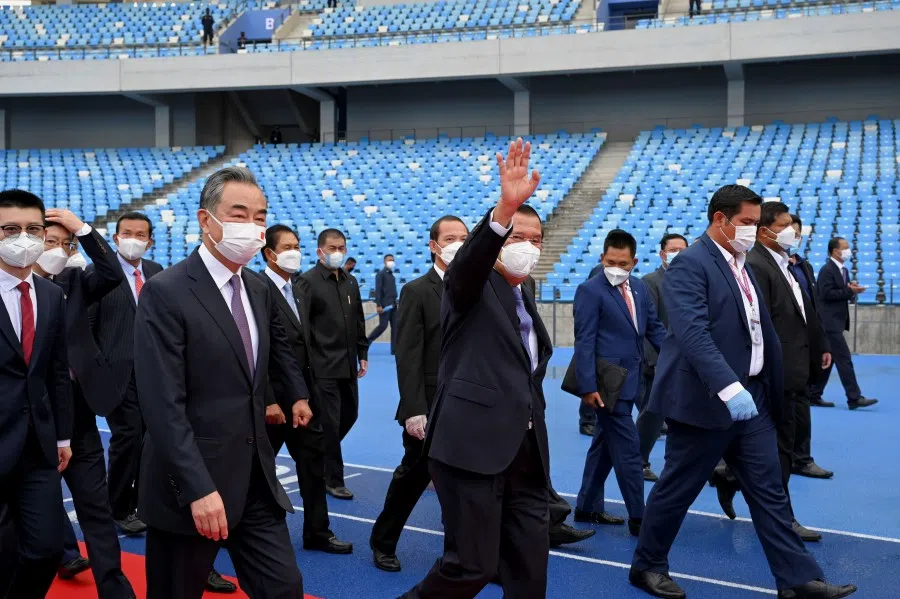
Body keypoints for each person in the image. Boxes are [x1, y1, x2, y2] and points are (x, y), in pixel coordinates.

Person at [629, 184, 856, 599]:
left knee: (769, 491)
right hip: (706, 401)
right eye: (747, 223)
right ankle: (647, 566)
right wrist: (730, 387)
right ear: (720, 219)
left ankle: (797, 579)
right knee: (677, 489)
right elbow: (693, 334)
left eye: (755, 222)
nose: (753, 231)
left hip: (753, 401)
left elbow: (757, 329)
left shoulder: (741, 265)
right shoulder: (690, 265)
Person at [133, 166, 308, 599]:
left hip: (254, 483)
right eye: (239, 214)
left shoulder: (258, 289)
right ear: (206, 220)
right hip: (189, 490)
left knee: (285, 589)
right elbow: (162, 403)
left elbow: (262, 368)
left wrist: (296, 394)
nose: (253, 227)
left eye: (260, 216)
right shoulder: (165, 291)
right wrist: (197, 487)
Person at [401, 138, 552, 598]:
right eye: (517, 238)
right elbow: (468, 265)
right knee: (471, 567)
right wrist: (505, 210)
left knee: (529, 571)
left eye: (536, 240)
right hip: (471, 450)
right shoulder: (468, 285)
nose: (527, 248)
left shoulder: (525, 294)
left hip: (524, 452)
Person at [32, 209, 137, 598]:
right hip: (33, 417)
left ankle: (115, 588)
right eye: (51, 242)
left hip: (79, 413)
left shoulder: (74, 281)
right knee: (35, 510)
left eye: (66, 244)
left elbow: (112, 272)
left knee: (96, 508)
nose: (59, 250)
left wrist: (83, 230)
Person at [737, 201, 831, 542]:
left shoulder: (787, 264)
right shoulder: (758, 266)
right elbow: (761, 326)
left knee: (782, 449)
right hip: (776, 377)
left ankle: (729, 478)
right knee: (779, 451)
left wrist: (819, 348)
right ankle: (783, 519)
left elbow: (803, 314)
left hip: (795, 373)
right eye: (786, 224)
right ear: (765, 231)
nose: (794, 230)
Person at [257, 224, 353, 555]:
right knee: (256, 468)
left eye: (297, 245)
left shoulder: (298, 289)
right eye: (287, 246)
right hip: (270, 402)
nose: (294, 251)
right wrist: (269, 399)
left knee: (313, 463)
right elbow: (258, 351)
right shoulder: (256, 289)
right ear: (269, 253)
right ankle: (239, 530)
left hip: (302, 398)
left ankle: (317, 532)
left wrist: (307, 394)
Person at [0, 189, 73, 598]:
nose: (22, 238)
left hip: (38, 445)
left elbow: (56, 372)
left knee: (46, 549)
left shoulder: (51, 294)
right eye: (10, 229)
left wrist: (63, 435)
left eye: (33, 229)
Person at [573, 229, 666, 537]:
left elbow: (654, 329)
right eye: (610, 260)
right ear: (602, 258)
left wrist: (685, 356)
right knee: (628, 451)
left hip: (631, 381)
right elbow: (584, 342)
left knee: (603, 447)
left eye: (622, 263)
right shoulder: (590, 290)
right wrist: (587, 387)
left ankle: (587, 506)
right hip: (605, 386)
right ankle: (640, 517)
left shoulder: (639, 289)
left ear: (634, 262)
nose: (615, 267)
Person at [88, 211, 163, 536]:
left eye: (140, 234)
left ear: (150, 241)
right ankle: (117, 507)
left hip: (154, 373)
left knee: (151, 441)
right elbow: (88, 327)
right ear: (115, 238)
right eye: (126, 233)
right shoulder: (98, 273)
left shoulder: (157, 272)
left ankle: (140, 502)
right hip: (117, 374)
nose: (133, 239)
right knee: (128, 437)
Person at [300, 228, 368, 499]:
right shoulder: (307, 282)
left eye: (341, 247)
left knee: (349, 415)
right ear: (320, 251)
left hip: (348, 365)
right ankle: (333, 479)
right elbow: (303, 327)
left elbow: (359, 320)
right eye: (332, 248)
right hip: (322, 367)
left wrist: (362, 352)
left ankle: (319, 454)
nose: (337, 252)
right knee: (329, 422)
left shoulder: (351, 282)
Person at [637, 233, 687, 481]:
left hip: (687, 360)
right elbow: (648, 325)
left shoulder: (693, 281)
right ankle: (639, 461)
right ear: (662, 254)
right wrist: (655, 362)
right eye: (673, 249)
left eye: (682, 249)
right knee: (652, 415)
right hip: (658, 361)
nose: (678, 253)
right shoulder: (650, 282)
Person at [786, 216, 833, 478]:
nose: (792, 235)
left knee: (802, 404)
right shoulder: (760, 265)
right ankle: (729, 468)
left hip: (802, 349)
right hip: (777, 349)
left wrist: (822, 343)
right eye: (786, 230)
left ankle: (801, 459)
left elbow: (813, 309)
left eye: (796, 231)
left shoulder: (805, 267)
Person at [811, 237, 878, 411]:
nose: (848, 250)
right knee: (844, 359)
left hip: (837, 321)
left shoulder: (844, 270)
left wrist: (852, 291)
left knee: (830, 359)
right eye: (845, 247)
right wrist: (849, 290)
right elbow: (825, 294)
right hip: (829, 323)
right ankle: (854, 397)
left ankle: (814, 393)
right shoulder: (827, 270)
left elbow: (841, 293)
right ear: (835, 251)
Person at [367, 253, 398, 353]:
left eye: (392, 260)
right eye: (389, 260)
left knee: (396, 327)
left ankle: (394, 349)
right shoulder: (380, 274)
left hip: (393, 305)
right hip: (385, 305)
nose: (391, 262)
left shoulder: (391, 275)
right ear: (384, 261)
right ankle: (366, 343)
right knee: (382, 326)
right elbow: (378, 290)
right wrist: (379, 305)